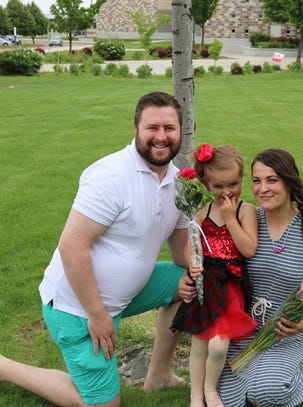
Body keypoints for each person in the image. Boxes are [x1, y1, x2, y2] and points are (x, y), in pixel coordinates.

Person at [0, 91, 191, 406]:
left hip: (125, 294)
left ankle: (158, 375)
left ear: (180, 131)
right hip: (77, 306)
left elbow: (182, 253)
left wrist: (213, 271)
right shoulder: (111, 176)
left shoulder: (179, 183)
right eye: (152, 128)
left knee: (188, 283)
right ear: (136, 130)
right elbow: (71, 246)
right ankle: (6, 368)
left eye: (169, 128)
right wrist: (97, 313)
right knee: (104, 404)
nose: (161, 137)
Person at [180, 148, 303, 406]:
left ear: (289, 182)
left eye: (272, 180)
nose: (263, 188)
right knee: (230, 399)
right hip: (240, 326)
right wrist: (188, 280)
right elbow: (206, 254)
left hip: (286, 332)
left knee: (265, 394)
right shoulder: (245, 218)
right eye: (256, 181)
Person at [170, 143, 258, 407]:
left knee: (219, 345)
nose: (226, 192)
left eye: (232, 184)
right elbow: (190, 246)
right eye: (218, 186)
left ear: (241, 179)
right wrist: (192, 263)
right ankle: (195, 395)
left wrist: (231, 219)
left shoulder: (245, 210)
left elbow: (249, 249)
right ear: (206, 185)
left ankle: (210, 388)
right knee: (199, 343)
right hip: (206, 283)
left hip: (230, 285)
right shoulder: (202, 212)